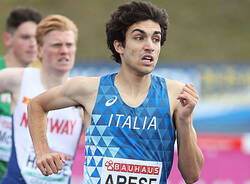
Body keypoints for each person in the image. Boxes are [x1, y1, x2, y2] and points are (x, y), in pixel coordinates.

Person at [28, 1, 204, 183]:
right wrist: (41, 152)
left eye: (156, 39)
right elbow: (37, 105)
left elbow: (192, 176)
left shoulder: (174, 93)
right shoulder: (91, 90)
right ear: (119, 46)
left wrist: (185, 121)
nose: (150, 46)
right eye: (139, 37)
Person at [0, 14, 83, 184]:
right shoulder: (18, 79)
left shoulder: (82, 94)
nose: (64, 51)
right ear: (39, 50)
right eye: (56, 45)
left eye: (69, 45)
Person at [0, 7, 42, 179]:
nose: (33, 43)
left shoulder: (38, 83)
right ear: (7, 39)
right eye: (26, 37)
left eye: (37, 38)